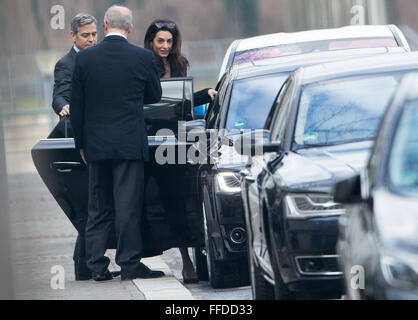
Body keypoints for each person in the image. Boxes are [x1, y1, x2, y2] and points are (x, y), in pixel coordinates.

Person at [70, 5, 164, 281]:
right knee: (127, 206)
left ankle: (96, 266)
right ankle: (129, 263)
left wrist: (81, 144)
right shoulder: (143, 57)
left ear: (106, 25)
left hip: (97, 145)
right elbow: (154, 95)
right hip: (128, 143)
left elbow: (77, 106)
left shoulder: (85, 60)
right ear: (131, 28)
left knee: (97, 207)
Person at [144, 19, 217, 284]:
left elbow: (182, 103)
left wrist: (203, 95)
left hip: (178, 140)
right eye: (160, 40)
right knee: (163, 202)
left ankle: (192, 261)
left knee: (184, 201)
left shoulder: (180, 64)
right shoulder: (142, 64)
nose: (164, 46)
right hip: (152, 139)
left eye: (169, 41)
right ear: (151, 41)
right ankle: (178, 261)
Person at [48, 13, 98, 139]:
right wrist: (63, 106)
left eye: (94, 34)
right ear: (73, 36)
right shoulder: (65, 64)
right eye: (85, 35)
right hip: (80, 132)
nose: (91, 39)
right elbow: (60, 95)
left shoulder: (103, 58)